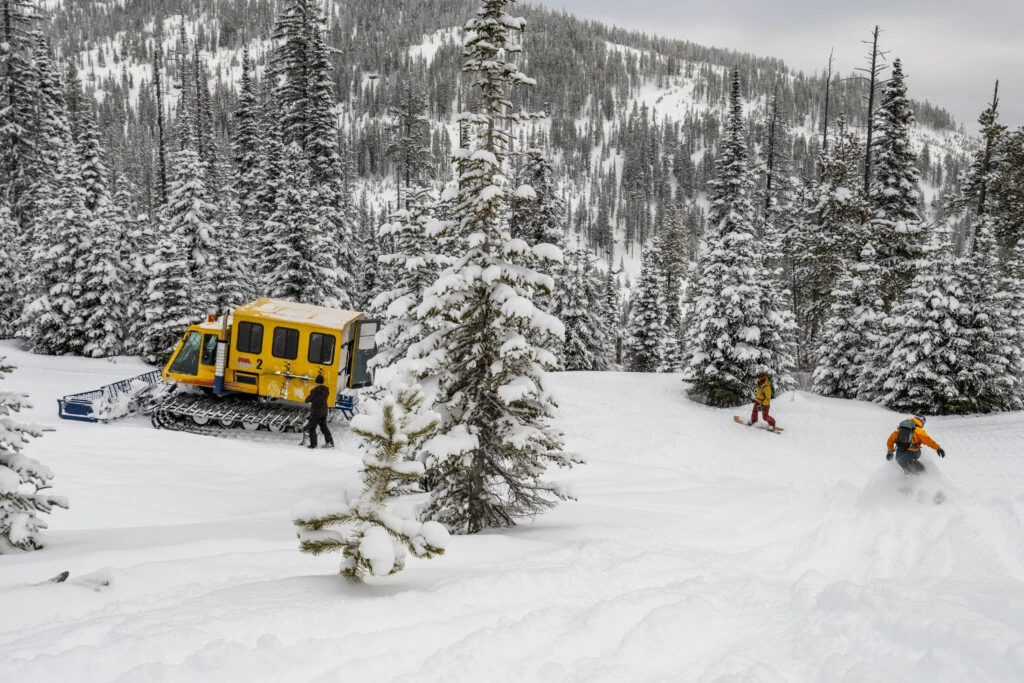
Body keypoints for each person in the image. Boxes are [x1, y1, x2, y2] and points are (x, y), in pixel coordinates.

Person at [305, 375, 334, 449]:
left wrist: (310, 398)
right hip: (324, 411)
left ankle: (313, 445)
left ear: (316, 382)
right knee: (324, 427)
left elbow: (307, 400)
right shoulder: (326, 390)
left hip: (315, 412)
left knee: (312, 428)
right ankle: (330, 442)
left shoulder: (314, 391)